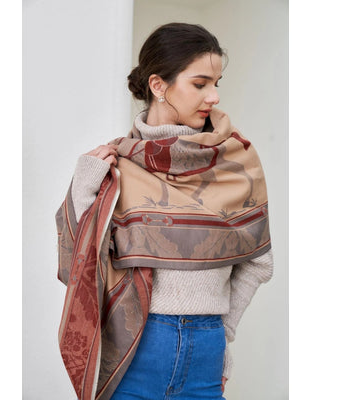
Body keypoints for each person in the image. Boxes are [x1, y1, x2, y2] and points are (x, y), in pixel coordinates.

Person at [56, 22, 274, 400]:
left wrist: (223, 333)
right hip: (134, 347)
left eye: (216, 83)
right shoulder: (117, 168)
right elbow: (78, 263)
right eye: (200, 84)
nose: (214, 97)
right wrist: (83, 187)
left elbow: (259, 262)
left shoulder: (235, 161)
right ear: (158, 85)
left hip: (206, 348)